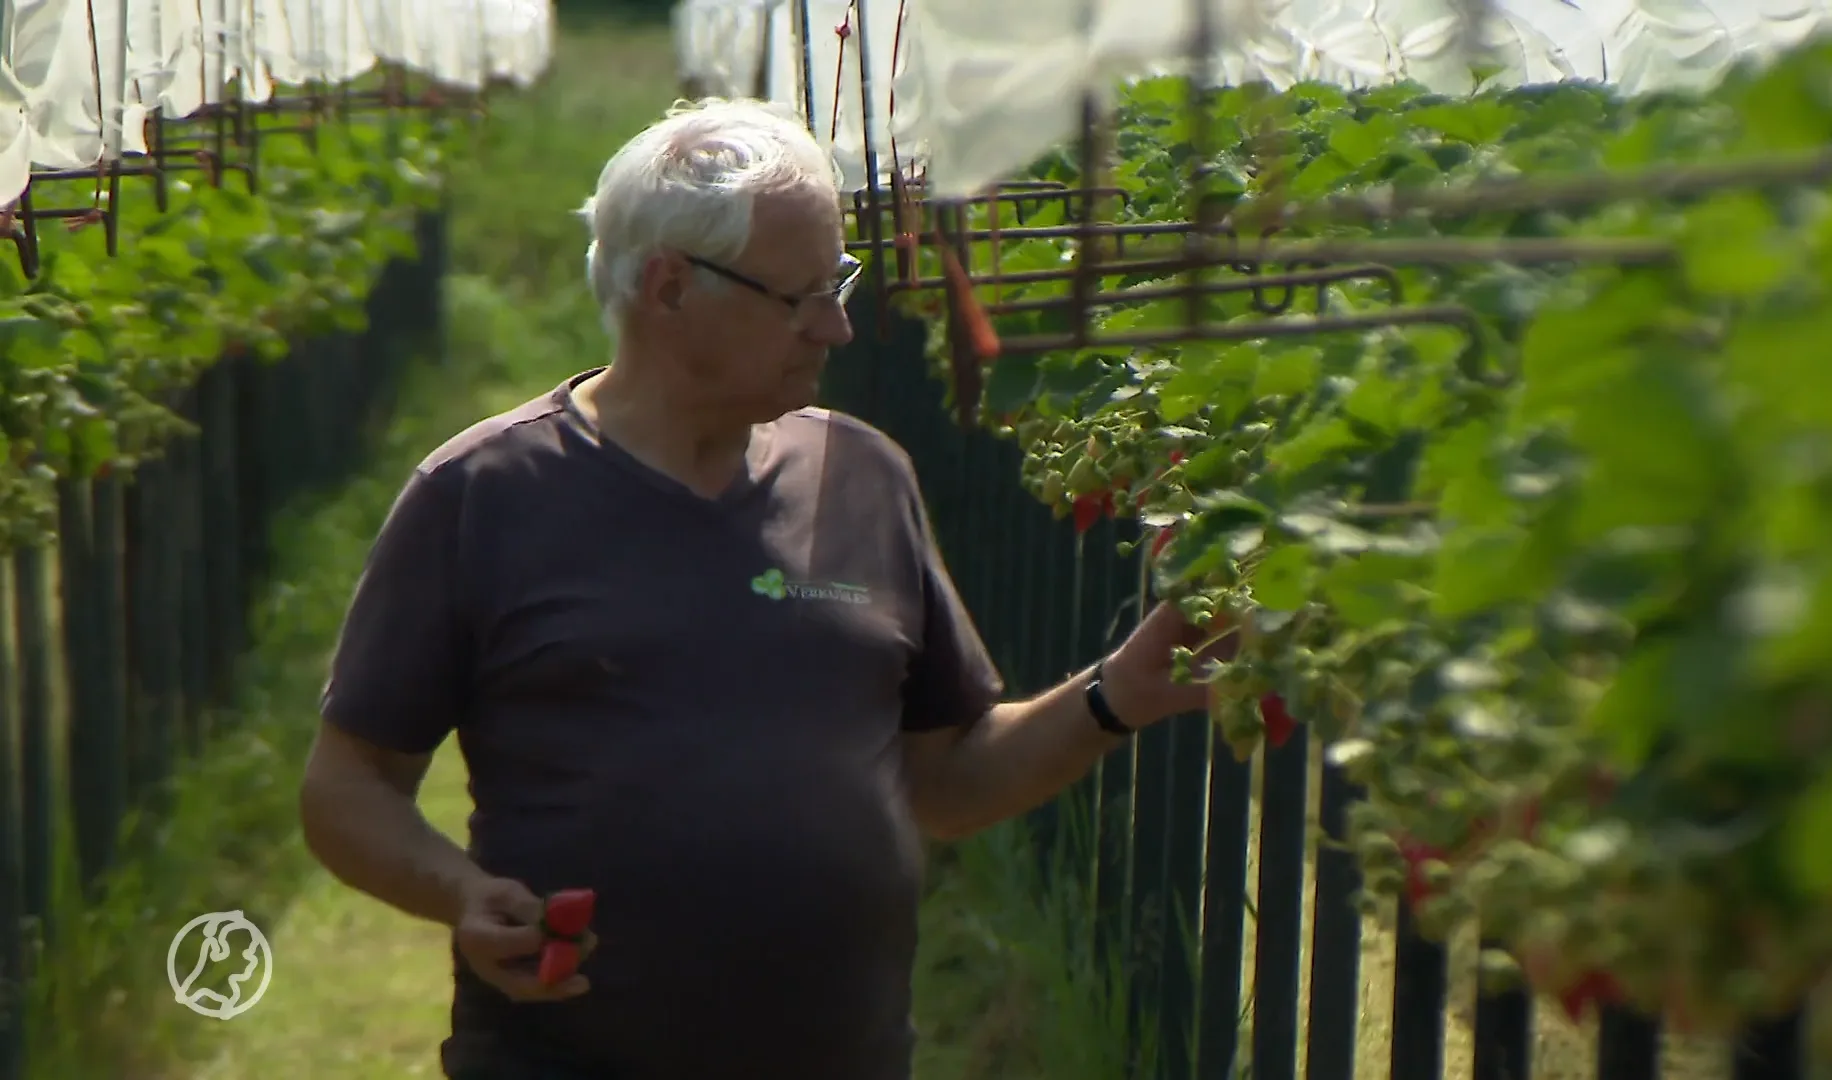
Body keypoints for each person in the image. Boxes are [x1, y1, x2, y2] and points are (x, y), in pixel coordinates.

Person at [297, 97, 1226, 1080]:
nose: (838, 326)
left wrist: (1115, 696)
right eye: (802, 297)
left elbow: (943, 784)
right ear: (667, 288)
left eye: (841, 283)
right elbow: (347, 786)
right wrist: (458, 891)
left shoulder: (863, 478)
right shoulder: (484, 495)